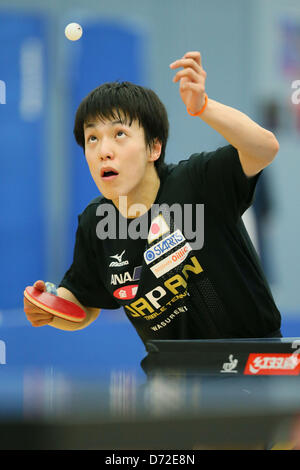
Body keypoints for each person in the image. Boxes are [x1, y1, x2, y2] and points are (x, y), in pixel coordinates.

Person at [24, 51, 282, 345]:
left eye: (119, 133)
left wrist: (204, 107)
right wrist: (50, 308)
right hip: (171, 376)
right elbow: (85, 302)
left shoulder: (197, 182)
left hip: (253, 363)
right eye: (92, 138)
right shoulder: (95, 222)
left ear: (154, 148)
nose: (103, 150)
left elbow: (265, 148)